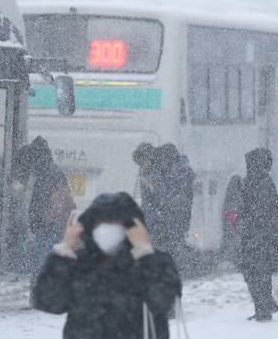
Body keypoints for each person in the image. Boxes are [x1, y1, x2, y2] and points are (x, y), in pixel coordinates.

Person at [32, 192, 182, 339]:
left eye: (114, 222)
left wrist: (143, 251)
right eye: (100, 222)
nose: (106, 229)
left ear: (133, 226)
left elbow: (163, 301)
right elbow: (48, 301)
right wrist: (64, 249)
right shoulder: (79, 262)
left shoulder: (156, 260)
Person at [12, 137, 76, 301]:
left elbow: (55, 199)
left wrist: (45, 217)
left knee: (40, 261)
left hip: (48, 223)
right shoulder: (48, 170)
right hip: (51, 223)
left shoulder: (46, 172)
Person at [237, 148, 278, 322]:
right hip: (255, 238)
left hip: (260, 238)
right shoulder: (252, 182)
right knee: (253, 273)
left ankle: (263, 309)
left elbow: (261, 213)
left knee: (259, 274)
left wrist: (248, 226)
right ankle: (264, 305)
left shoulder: (262, 183)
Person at [221, 175, 243, 262]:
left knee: (230, 241)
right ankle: (234, 259)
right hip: (233, 220)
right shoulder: (237, 194)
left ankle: (230, 259)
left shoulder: (229, 195)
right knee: (234, 241)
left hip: (229, 221)